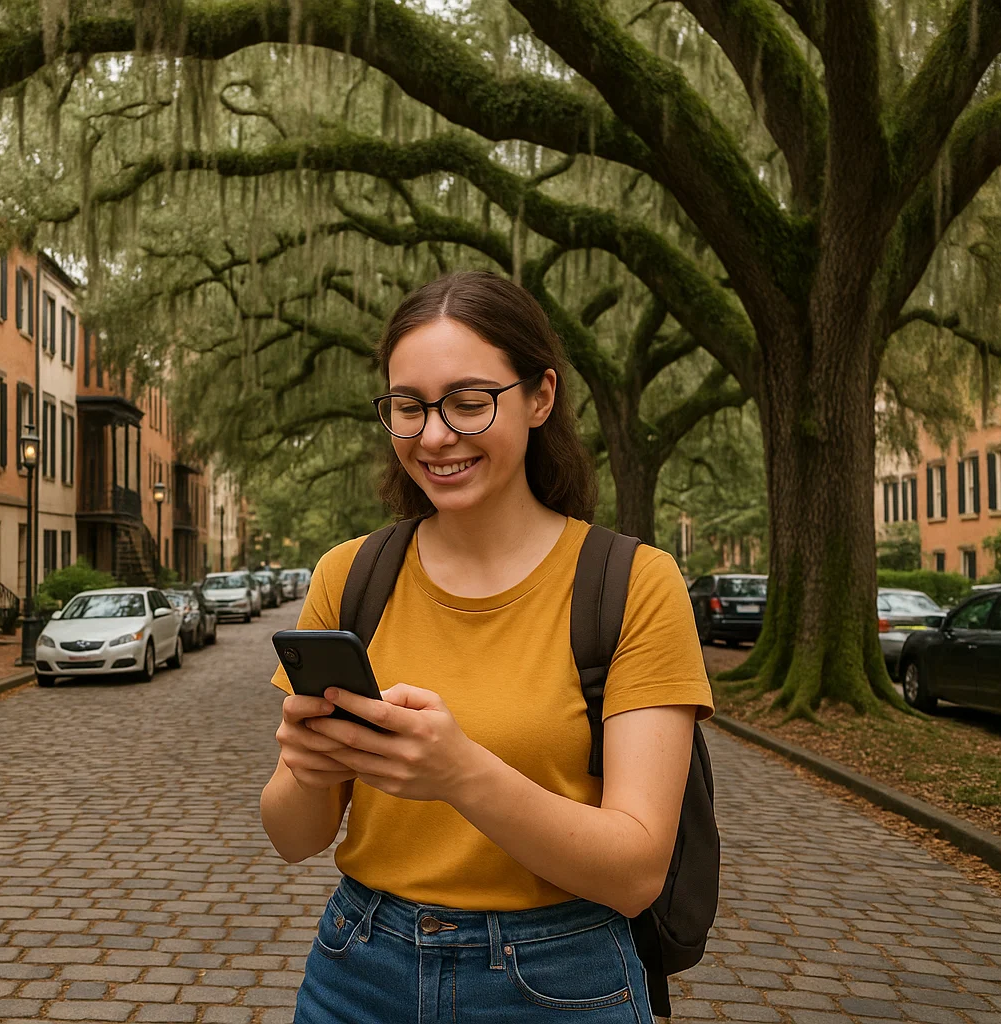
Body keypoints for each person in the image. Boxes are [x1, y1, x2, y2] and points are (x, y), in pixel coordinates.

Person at [262, 271, 713, 1023]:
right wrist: (307, 771)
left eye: (469, 403)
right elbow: (292, 838)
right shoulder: (351, 575)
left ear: (540, 397)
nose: (435, 436)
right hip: (357, 968)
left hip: (562, 979)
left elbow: (636, 872)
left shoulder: (633, 584)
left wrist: (460, 772)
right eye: (409, 408)